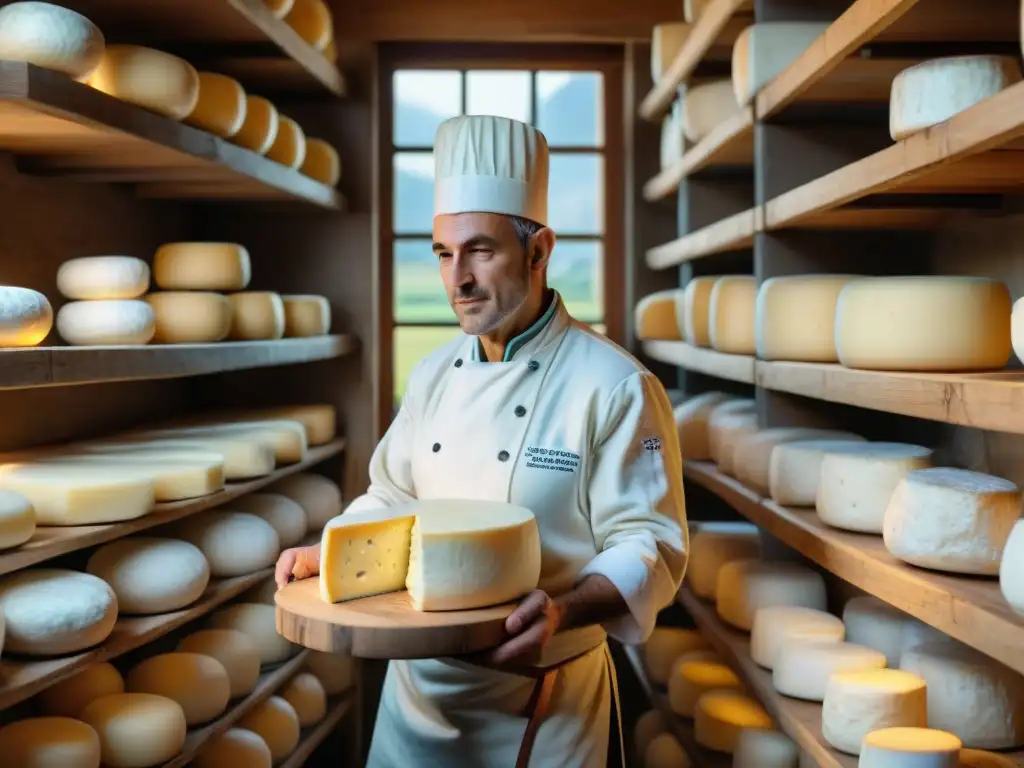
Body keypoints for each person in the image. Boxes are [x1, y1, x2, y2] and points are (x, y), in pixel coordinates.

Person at [275, 114, 688, 767]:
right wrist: (331, 552)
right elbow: (393, 492)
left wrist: (562, 609)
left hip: (540, 706)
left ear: (539, 250)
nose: (456, 279)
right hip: (416, 696)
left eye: (480, 251)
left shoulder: (614, 384)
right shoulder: (436, 372)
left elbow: (650, 545)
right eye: (442, 253)